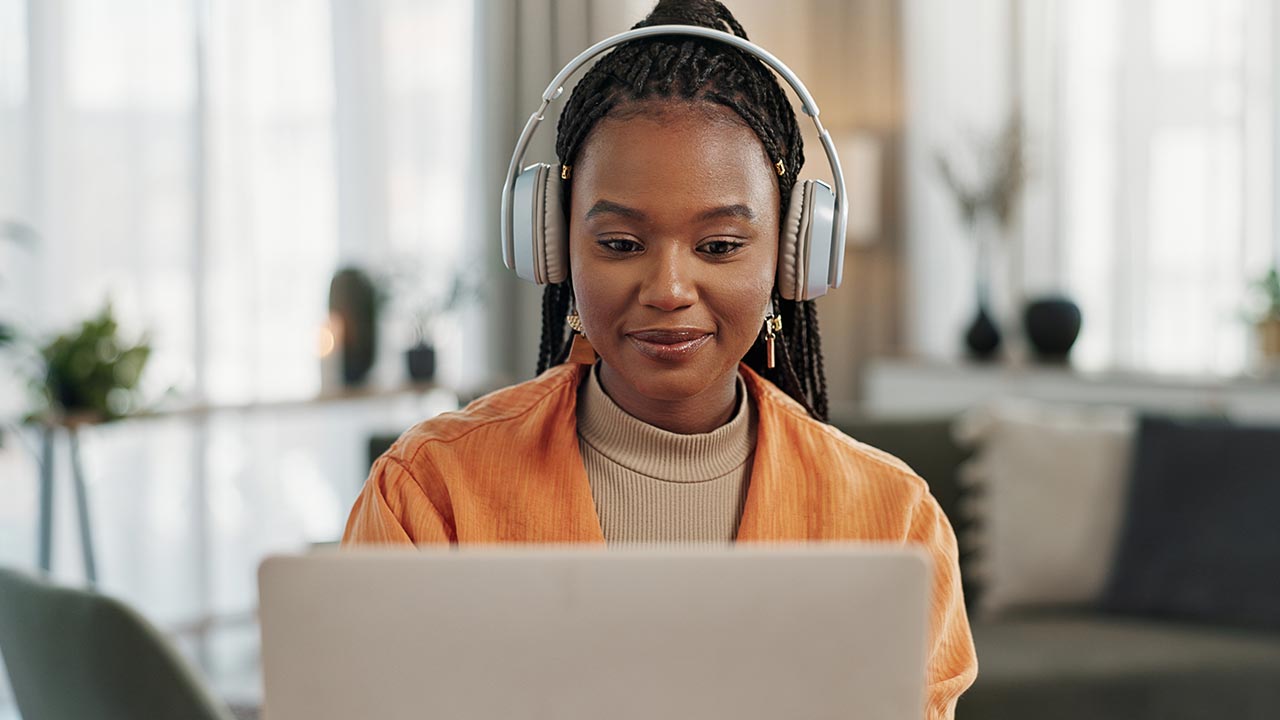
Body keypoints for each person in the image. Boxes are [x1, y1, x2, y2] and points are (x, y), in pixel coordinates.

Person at [343, 1, 977, 717]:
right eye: (619, 244)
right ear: (552, 244)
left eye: (720, 247)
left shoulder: (894, 523)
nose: (669, 290)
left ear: (794, 257)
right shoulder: (430, 493)